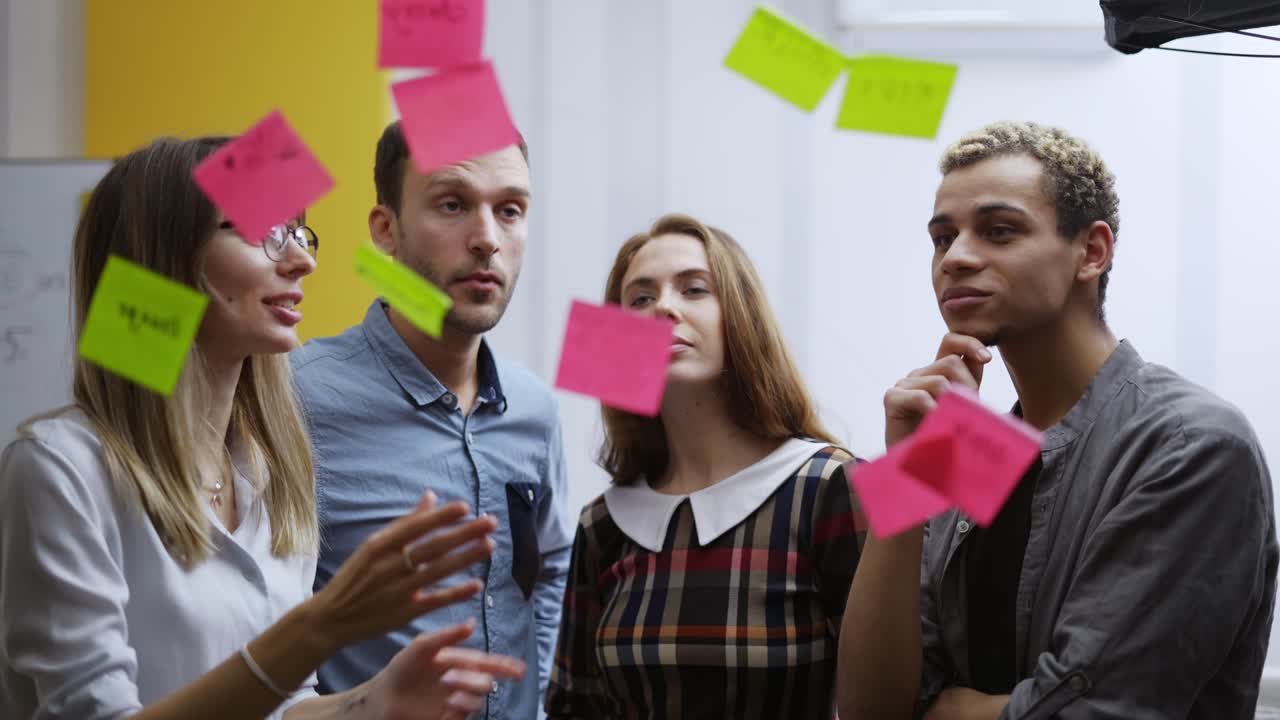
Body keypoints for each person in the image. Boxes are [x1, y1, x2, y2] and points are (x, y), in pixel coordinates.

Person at [0, 136, 526, 720]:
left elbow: (285, 707)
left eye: (299, 234)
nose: (302, 260)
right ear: (163, 259)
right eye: (260, 233)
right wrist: (316, 629)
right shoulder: (60, 468)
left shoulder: (268, 471)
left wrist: (372, 700)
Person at [836, 121, 1278, 719]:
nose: (957, 258)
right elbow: (870, 707)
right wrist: (905, 475)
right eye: (942, 238)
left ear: (1091, 252)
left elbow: (1095, 712)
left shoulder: (1191, 443)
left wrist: (944, 711)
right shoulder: (966, 444)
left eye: (998, 231)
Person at [290, 121, 572, 719]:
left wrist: (535, 700)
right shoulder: (296, 396)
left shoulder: (533, 409)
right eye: (453, 204)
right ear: (385, 230)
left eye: (511, 210)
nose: (487, 239)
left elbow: (548, 572)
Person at [545, 213, 865, 719]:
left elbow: (896, 692)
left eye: (694, 289)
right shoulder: (601, 524)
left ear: (742, 315)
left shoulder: (833, 486)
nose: (663, 309)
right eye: (640, 299)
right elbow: (574, 709)